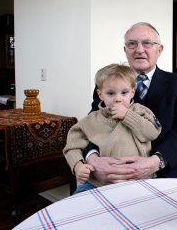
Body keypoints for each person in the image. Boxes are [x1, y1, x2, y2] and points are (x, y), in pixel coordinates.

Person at [85, 22, 177, 181]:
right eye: (132, 44)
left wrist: (155, 162)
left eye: (147, 43)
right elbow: (92, 125)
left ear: (160, 49)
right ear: (125, 50)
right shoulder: (107, 84)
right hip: (118, 169)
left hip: (167, 166)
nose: (139, 50)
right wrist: (93, 159)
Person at [63, 63, 161, 193]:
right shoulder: (92, 119)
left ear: (133, 92)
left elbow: (152, 132)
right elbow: (72, 146)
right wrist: (78, 165)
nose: (118, 99)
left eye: (124, 93)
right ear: (100, 94)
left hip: (139, 180)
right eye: (110, 93)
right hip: (99, 183)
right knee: (76, 206)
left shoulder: (141, 112)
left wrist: (128, 115)